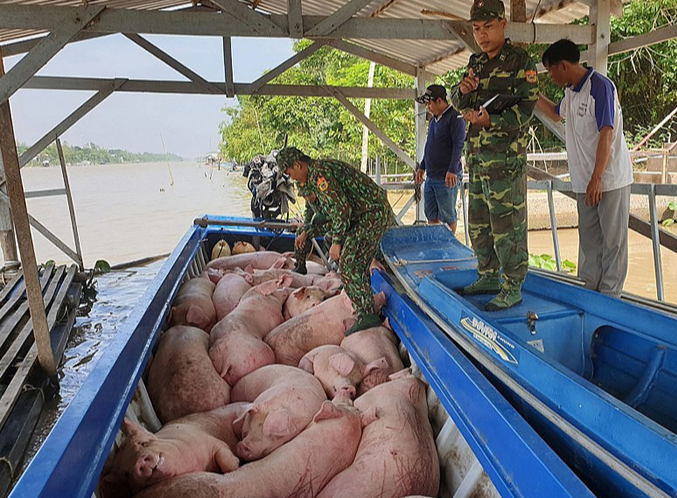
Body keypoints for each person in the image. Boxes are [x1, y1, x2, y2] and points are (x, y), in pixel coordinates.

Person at [450, 0, 538, 311]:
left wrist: (492, 121)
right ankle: (487, 274)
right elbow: (457, 102)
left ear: (503, 24)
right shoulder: (475, 62)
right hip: (477, 160)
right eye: (476, 29)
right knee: (479, 224)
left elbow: (527, 110)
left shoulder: (520, 62)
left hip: (505, 163)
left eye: (488, 27)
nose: (482, 35)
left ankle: (512, 285)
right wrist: (463, 90)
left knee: (507, 227)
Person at [537, 39, 633, 297]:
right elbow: (557, 114)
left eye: (551, 70)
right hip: (584, 181)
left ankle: (611, 296)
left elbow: (607, 132)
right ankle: (589, 292)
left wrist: (597, 178)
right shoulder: (571, 91)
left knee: (613, 242)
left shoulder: (600, 87)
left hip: (609, 180)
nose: (551, 76)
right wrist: (532, 93)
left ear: (565, 65)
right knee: (589, 241)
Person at [278, 147, 396, 335]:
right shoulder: (315, 174)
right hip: (362, 215)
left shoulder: (320, 175)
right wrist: (308, 230)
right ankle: (357, 293)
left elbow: (341, 209)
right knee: (350, 260)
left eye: (288, 172)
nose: (290, 176)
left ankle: (367, 314)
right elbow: (328, 213)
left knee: (350, 261)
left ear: (297, 165)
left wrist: (337, 241)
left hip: (371, 214)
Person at [414, 84, 466, 233]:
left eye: (429, 103)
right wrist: (422, 166)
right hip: (431, 175)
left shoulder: (456, 118)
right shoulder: (433, 121)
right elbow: (429, 146)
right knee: (431, 214)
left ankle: (448, 248)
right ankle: (436, 245)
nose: (428, 107)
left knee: (448, 216)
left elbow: (458, 145)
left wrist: (452, 170)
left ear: (439, 101)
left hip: (446, 175)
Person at [293, 183, 330, 274]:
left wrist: (305, 232)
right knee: (300, 231)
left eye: (309, 195)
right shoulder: (309, 200)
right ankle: (300, 265)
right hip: (320, 226)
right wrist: (304, 227)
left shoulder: (325, 199)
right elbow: (308, 215)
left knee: (328, 237)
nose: (307, 198)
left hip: (332, 225)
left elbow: (319, 219)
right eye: (305, 196)